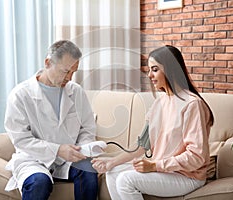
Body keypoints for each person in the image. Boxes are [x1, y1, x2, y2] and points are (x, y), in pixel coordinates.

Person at [91, 45, 214, 200]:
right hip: (164, 171)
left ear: (171, 70)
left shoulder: (192, 104)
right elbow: (143, 145)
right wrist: (111, 162)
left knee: (125, 180)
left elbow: (197, 157)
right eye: (149, 70)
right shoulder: (160, 102)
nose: (149, 75)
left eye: (155, 69)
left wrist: (155, 166)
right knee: (113, 172)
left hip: (187, 176)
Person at [4, 40, 98, 200]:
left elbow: (87, 128)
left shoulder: (76, 91)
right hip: (33, 159)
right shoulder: (20, 95)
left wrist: (82, 150)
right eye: (65, 71)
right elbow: (21, 140)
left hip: (70, 159)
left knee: (88, 171)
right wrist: (58, 150)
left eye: (73, 72)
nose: (69, 77)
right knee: (39, 183)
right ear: (48, 63)